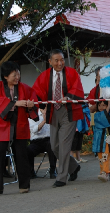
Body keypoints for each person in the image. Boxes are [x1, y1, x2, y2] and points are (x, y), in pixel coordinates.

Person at [33, 49, 84, 188]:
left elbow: (77, 89)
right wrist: (38, 104)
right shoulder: (44, 76)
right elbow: (37, 91)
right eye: (56, 60)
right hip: (52, 112)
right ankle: (73, 167)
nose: (60, 63)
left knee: (64, 144)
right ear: (50, 61)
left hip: (68, 111)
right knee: (54, 145)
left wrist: (67, 97)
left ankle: (61, 177)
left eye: (62, 59)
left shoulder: (72, 73)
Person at [0, 61, 39, 195]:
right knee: (0, 154)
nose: (17, 77)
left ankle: (24, 185)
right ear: (5, 76)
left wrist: (30, 105)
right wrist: (16, 103)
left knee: (21, 155)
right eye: (14, 74)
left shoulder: (25, 88)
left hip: (20, 124)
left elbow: (34, 103)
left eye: (18, 74)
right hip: (3, 126)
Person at [27, 107, 57, 179]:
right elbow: (34, 130)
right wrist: (44, 121)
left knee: (52, 145)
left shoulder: (51, 115)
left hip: (48, 139)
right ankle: (31, 172)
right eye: (45, 108)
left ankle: (52, 170)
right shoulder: (33, 115)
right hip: (36, 141)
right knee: (28, 150)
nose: (46, 110)